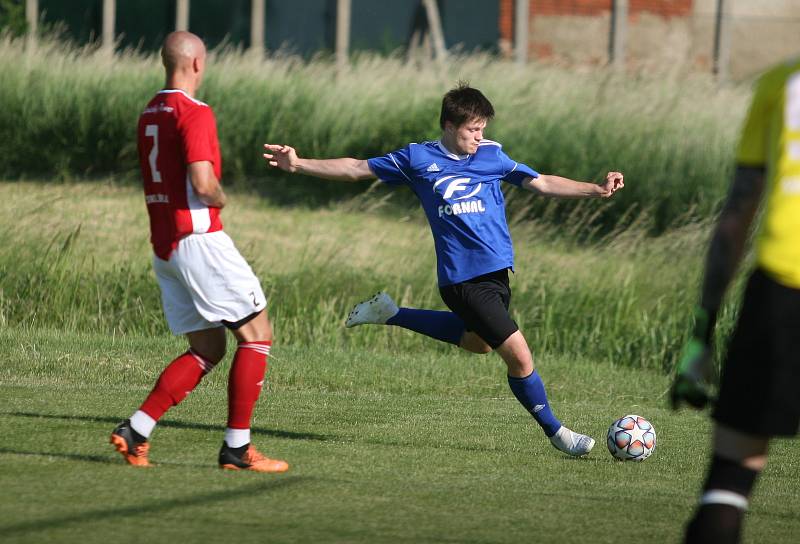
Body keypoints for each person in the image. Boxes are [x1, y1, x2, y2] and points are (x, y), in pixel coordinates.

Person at [263, 83, 624, 456]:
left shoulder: (492, 157)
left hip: (497, 274)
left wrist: (596, 189)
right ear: (450, 125)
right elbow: (356, 168)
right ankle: (558, 433)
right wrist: (299, 163)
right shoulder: (417, 159)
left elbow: (543, 182)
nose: (480, 136)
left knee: (479, 343)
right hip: (462, 280)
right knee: (520, 356)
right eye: (473, 129)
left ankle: (391, 313)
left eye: (483, 128)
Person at [109, 31, 288, 473]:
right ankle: (237, 449)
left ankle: (136, 431)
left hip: (165, 247)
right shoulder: (194, 111)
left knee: (208, 347)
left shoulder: (150, 111)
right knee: (257, 334)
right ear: (196, 64)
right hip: (199, 240)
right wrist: (222, 198)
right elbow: (203, 182)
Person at [671, 58, 800, 542]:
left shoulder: (780, 84)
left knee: (727, 488)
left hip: (784, 288)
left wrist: (701, 334)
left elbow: (735, 218)